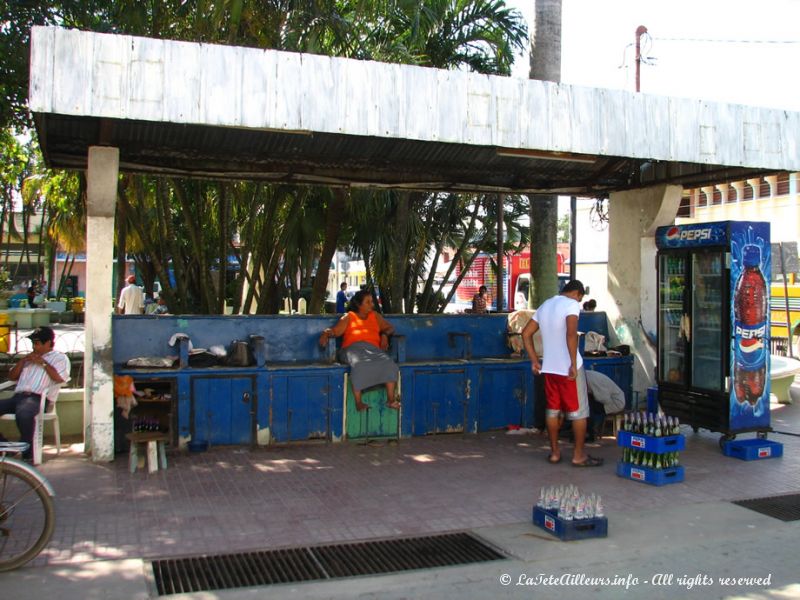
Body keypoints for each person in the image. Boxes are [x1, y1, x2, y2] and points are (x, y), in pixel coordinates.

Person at [521, 280, 603, 467]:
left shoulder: (546, 305)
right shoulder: (572, 304)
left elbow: (526, 334)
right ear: (578, 294)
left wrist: (535, 360)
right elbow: (571, 333)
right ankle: (578, 455)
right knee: (579, 413)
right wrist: (573, 364)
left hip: (549, 368)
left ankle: (555, 453)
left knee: (552, 411)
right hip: (568, 370)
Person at [319, 290, 400, 412]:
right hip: (352, 349)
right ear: (359, 304)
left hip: (373, 350)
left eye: (372, 301)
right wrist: (325, 333)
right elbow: (335, 331)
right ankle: (358, 402)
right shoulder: (349, 317)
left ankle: (390, 400)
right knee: (359, 365)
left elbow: (390, 328)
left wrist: (384, 335)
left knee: (389, 364)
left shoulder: (375, 316)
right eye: (368, 302)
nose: (372, 305)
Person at [0, 327, 70, 460]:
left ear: (48, 343)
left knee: (24, 414)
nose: (34, 347)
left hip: (38, 398)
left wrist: (43, 363)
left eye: (37, 343)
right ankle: (5, 447)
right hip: (18, 397)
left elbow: (60, 379)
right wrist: (21, 362)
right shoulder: (28, 359)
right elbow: (11, 377)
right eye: (33, 343)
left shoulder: (59, 358)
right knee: (21, 408)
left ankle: (28, 454)